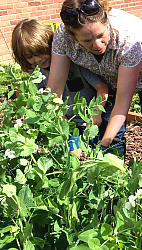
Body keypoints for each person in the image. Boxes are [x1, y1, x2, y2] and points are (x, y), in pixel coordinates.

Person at [47, 0, 142, 153]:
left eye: (100, 36)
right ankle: (114, 175)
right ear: (73, 37)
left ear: (106, 22)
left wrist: (102, 147)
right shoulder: (63, 36)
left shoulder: (128, 40)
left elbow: (122, 105)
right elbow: (54, 91)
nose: (97, 45)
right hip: (108, 73)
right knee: (109, 128)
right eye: (87, 40)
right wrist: (64, 131)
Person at [11, 19, 108, 156]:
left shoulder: (74, 63)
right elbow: (46, 103)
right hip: (66, 124)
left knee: (94, 154)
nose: (38, 59)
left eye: (41, 51)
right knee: (72, 156)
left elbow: (102, 89)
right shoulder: (37, 74)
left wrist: (96, 112)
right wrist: (63, 123)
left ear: (52, 44)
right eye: (30, 56)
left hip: (90, 121)